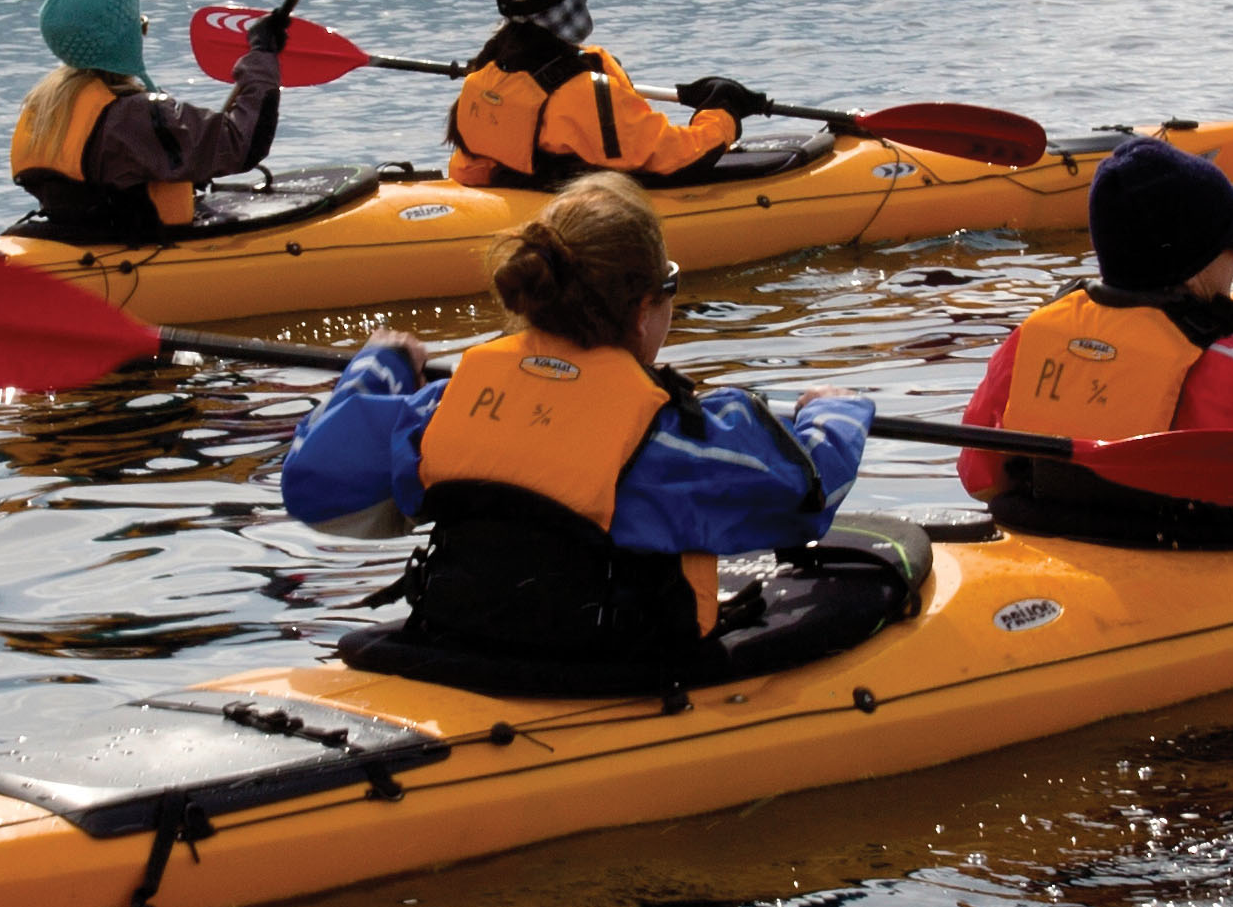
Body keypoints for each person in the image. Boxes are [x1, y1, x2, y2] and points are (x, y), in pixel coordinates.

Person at [284, 176, 885, 691]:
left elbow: (314, 483)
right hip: (614, 671)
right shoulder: (674, 437)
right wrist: (834, 414)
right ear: (644, 307)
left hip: (464, 644)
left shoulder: (446, 405)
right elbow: (807, 497)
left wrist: (379, 366)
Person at [957, 134, 1233, 541]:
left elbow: (979, 474)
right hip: (1183, 559)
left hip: (1070, 540)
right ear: (1197, 263)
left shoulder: (1032, 340)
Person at [441, 0, 762, 189]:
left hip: (512, 193)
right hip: (580, 213)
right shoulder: (582, 92)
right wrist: (722, 112)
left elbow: (469, 167)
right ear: (571, 10)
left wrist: (607, 69)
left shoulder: (485, 76)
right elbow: (674, 158)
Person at [7, 0, 284, 243]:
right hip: (140, 254)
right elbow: (242, 144)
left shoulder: (44, 105)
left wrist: (184, 165)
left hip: (77, 239)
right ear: (123, 41)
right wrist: (262, 55)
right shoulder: (133, 117)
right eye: (141, 26)